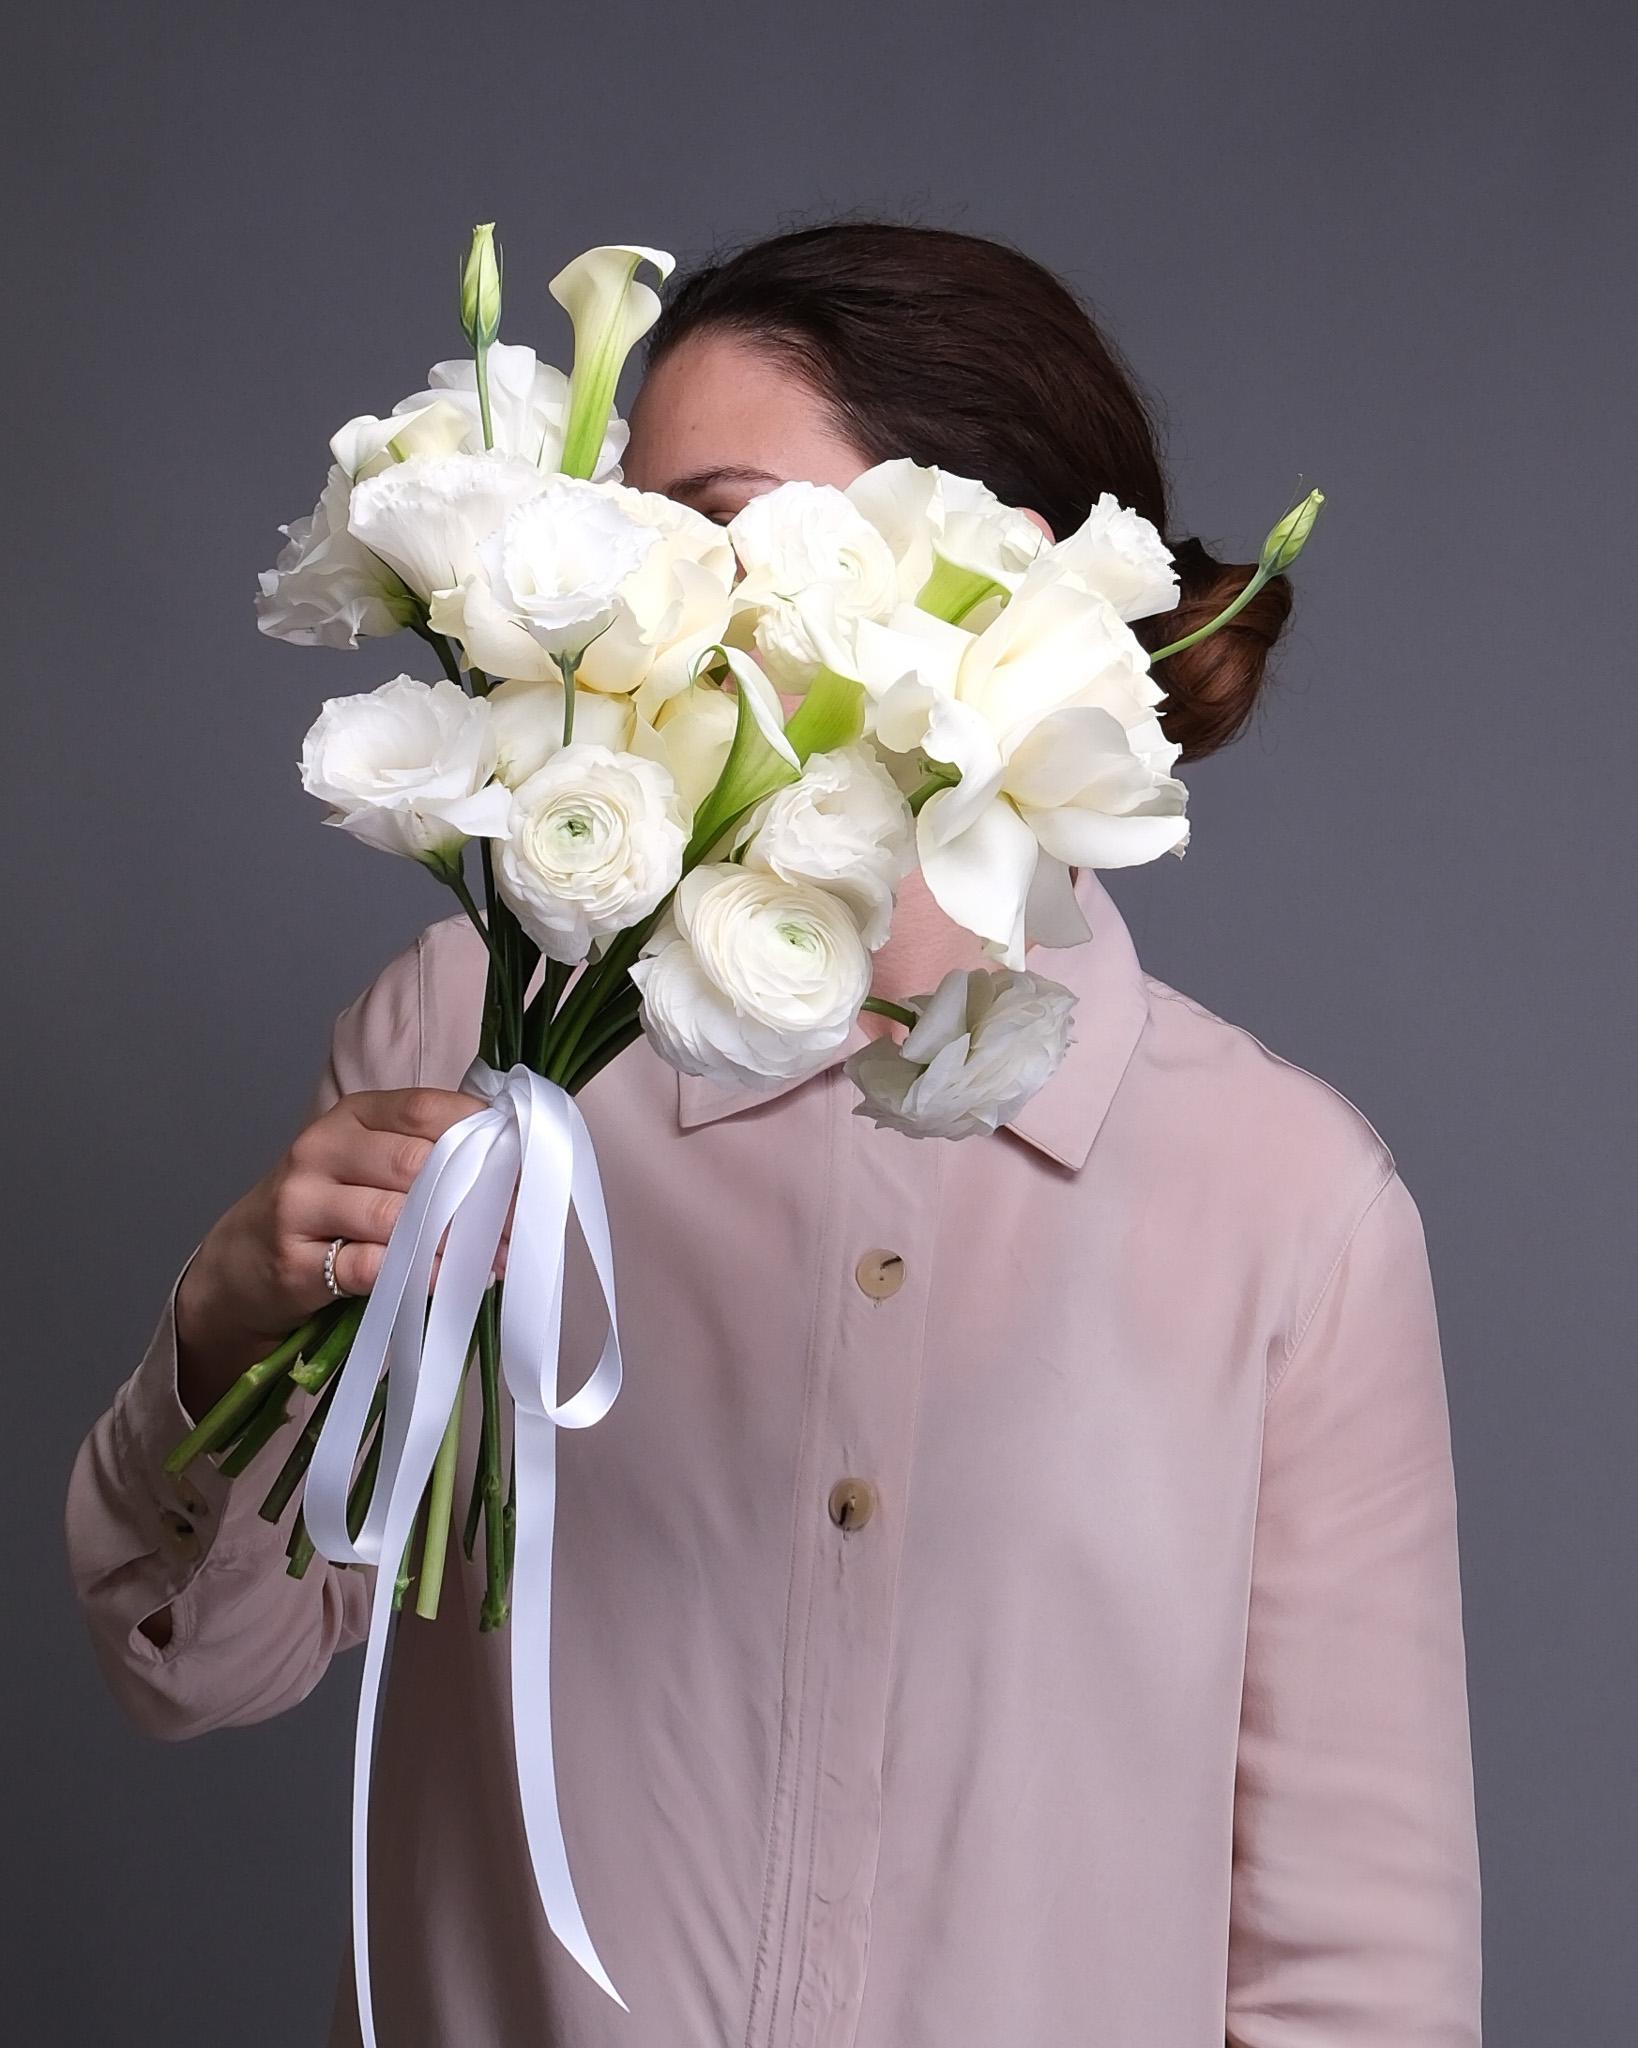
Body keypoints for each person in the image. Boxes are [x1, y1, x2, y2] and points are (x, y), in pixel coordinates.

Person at [64, 221, 1483, 2046]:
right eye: (639, 537)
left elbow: (1355, 1972)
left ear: (998, 596)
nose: (649, 611)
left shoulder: (1287, 1204)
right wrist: (226, 1320)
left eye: (723, 530)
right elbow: (195, 1667)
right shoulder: (477, 1050)